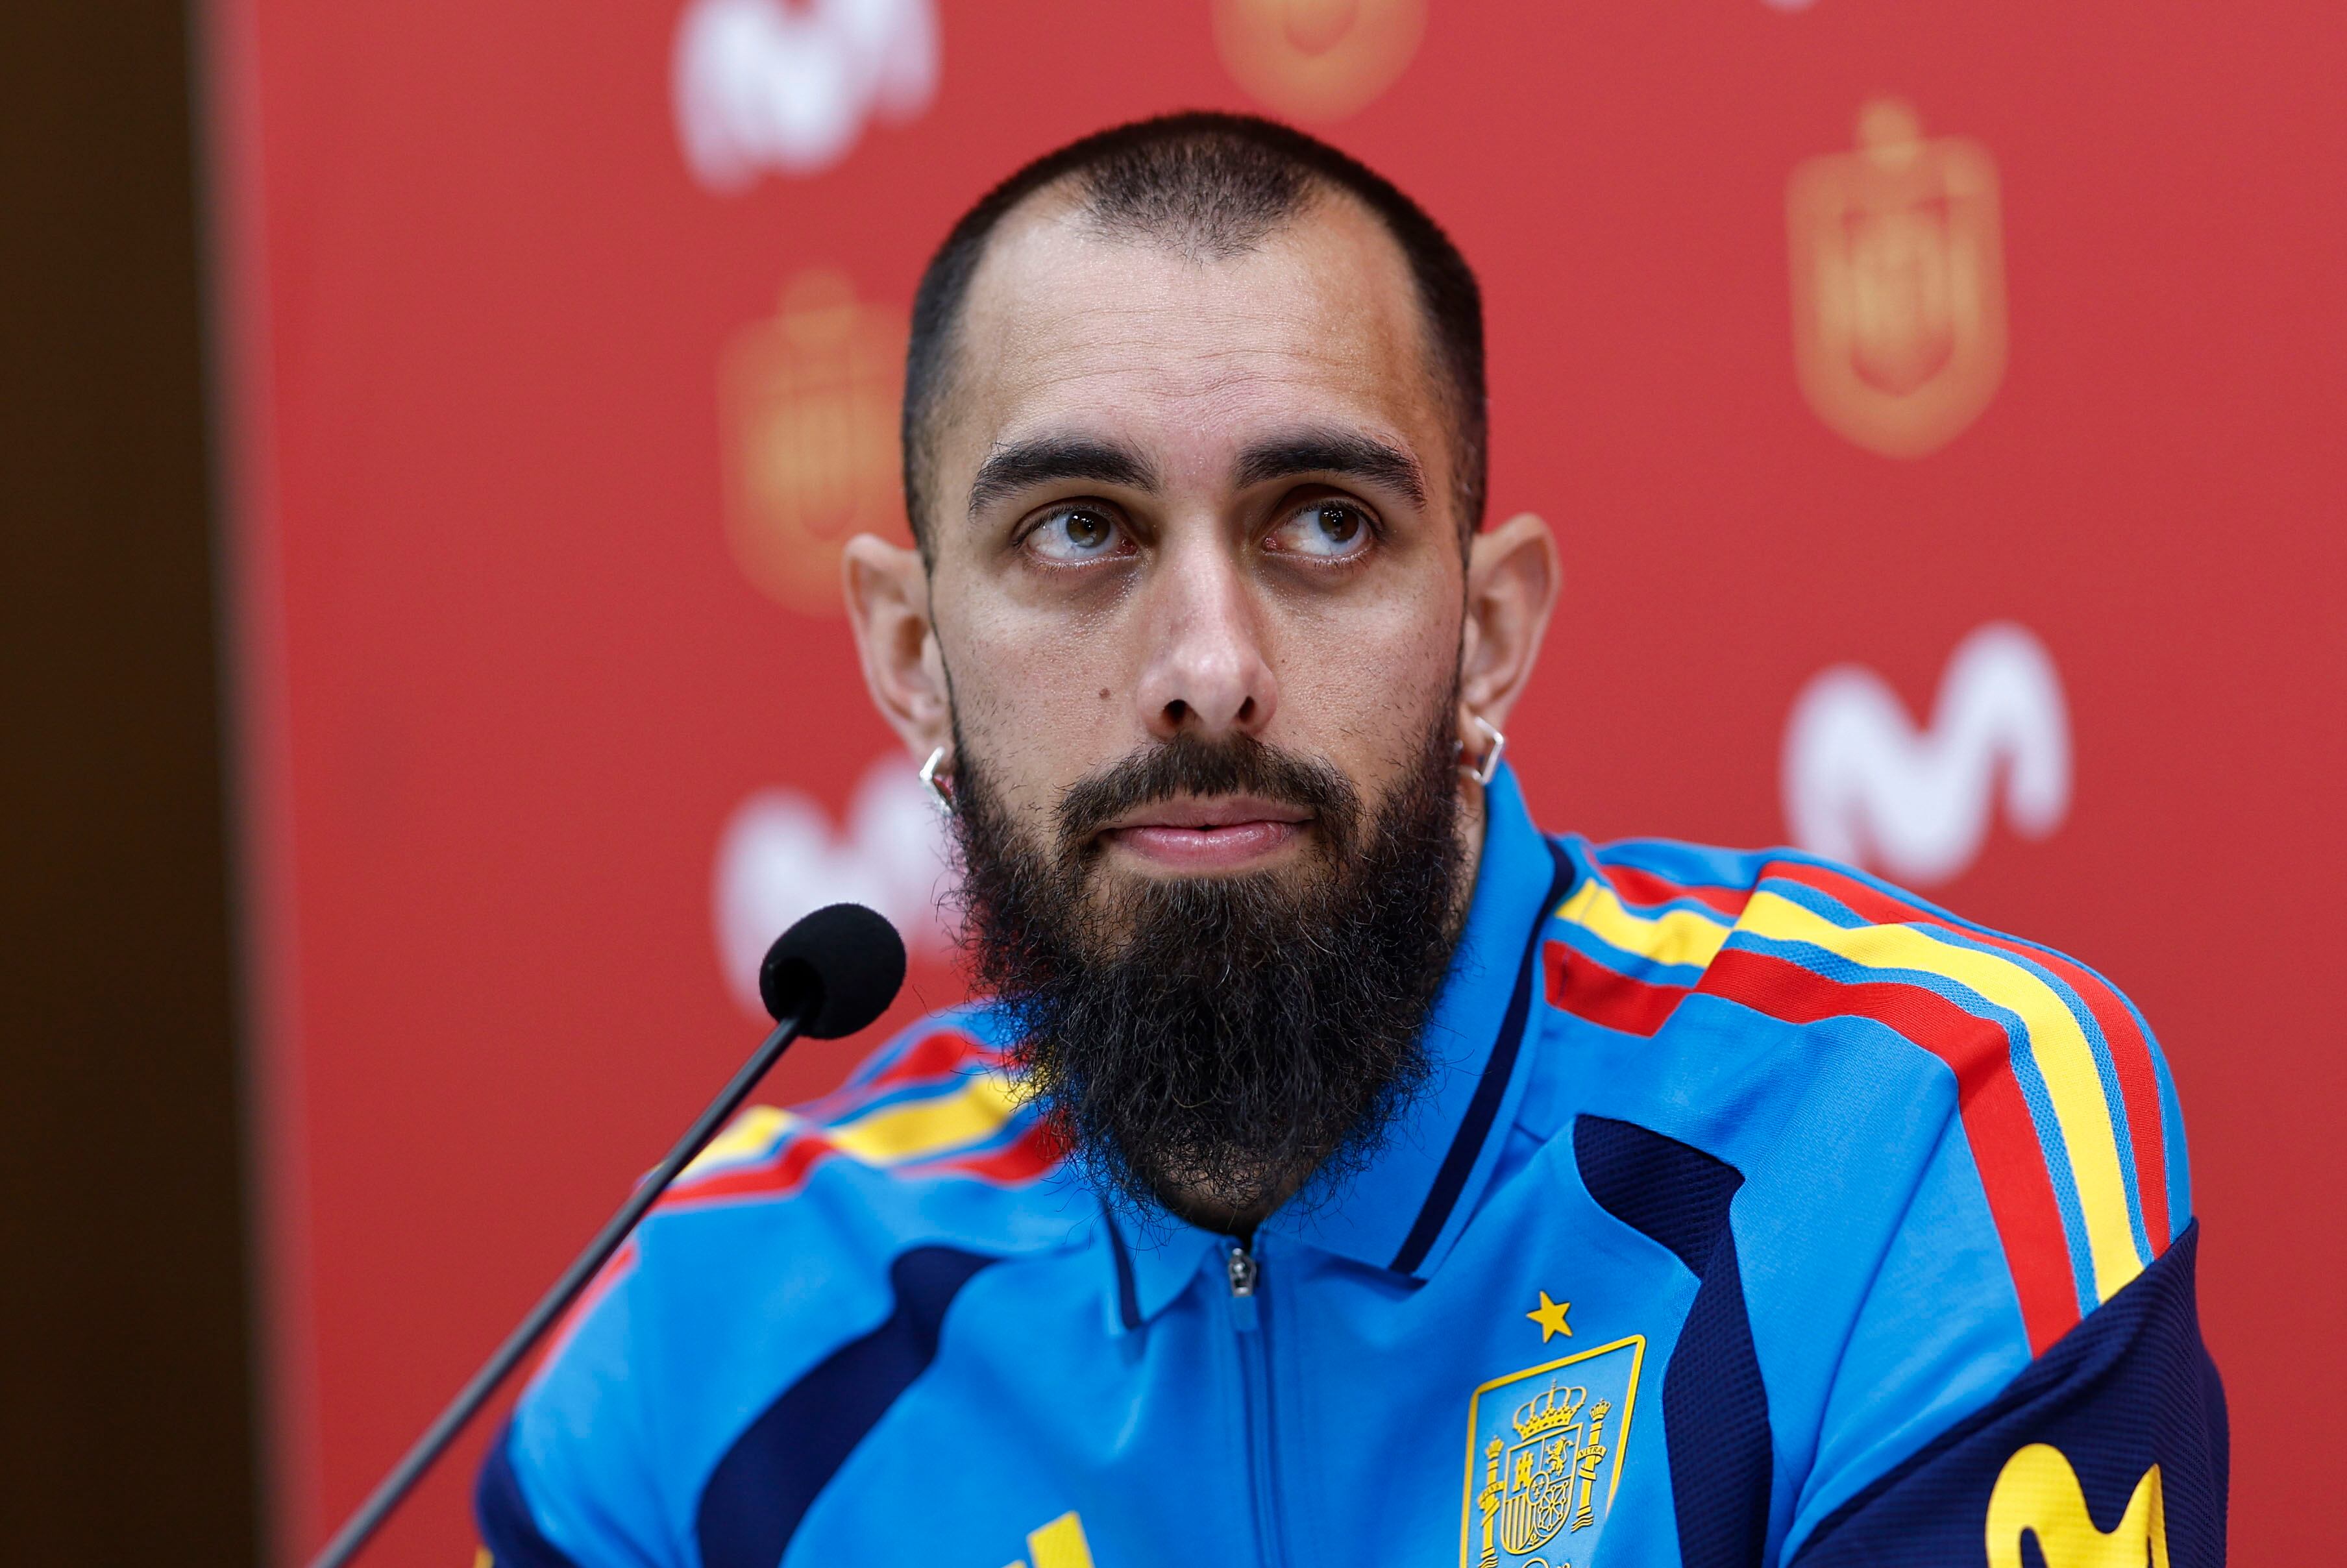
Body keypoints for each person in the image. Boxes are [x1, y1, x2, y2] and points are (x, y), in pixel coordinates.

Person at [474, 113, 2225, 1568]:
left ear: (1489, 629)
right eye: (1080, 531)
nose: (1208, 673)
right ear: (913, 659)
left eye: (1325, 523)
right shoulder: (708, 1335)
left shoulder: (1923, 1125)